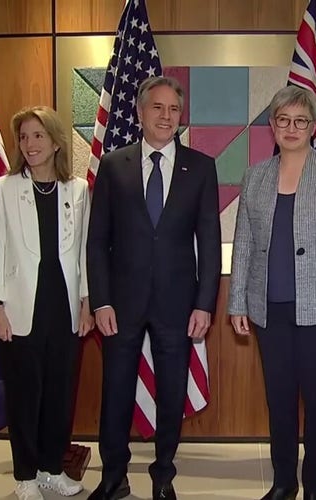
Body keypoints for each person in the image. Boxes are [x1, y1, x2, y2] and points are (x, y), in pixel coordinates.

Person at [86, 76, 221, 500]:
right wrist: (101, 299)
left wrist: (205, 305)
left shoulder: (200, 167)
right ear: (140, 113)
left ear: (181, 117)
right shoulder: (113, 164)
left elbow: (211, 242)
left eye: (173, 110)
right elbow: (97, 240)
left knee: (170, 394)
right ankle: (113, 476)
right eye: (157, 108)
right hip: (121, 304)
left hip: (178, 304)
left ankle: (164, 475)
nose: (166, 116)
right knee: (116, 393)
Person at [228, 86, 316, 500]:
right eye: (283, 120)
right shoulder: (256, 174)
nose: (291, 128)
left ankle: (314, 486)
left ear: (314, 126)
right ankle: (284, 481)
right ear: (271, 126)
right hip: (270, 310)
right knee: (280, 401)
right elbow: (245, 244)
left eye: (300, 121)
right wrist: (237, 300)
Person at [0, 106, 95, 500]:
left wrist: (87, 302)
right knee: (24, 397)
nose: (30, 144)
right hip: (19, 310)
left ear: (55, 142)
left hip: (63, 309)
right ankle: (26, 475)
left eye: (37, 136)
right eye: (24, 137)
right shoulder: (4, 188)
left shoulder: (78, 190)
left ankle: (51, 468)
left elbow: (84, 251)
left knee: (60, 394)